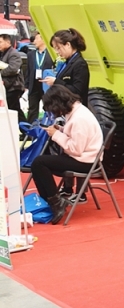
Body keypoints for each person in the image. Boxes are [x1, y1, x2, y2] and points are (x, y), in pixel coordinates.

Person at [31, 85, 103, 224]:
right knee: (39, 164)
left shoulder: (79, 118)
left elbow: (76, 148)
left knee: (39, 163)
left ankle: (54, 201)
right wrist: (61, 130)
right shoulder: (77, 112)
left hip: (85, 161)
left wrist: (57, 134)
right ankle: (51, 201)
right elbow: (76, 137)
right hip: (83, 157)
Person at [43, 28, 90, 106]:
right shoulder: (67, 62)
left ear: (68, 45)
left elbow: (77, 91)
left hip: (74, 109)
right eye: (55, 49)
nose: (57, 52)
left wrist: (55, 82)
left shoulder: (80, 64)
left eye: (58, 48)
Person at [25, 32, 55, 123]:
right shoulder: (31, 54)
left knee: (48, 107)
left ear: (43, 39)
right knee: (32, 109)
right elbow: (28, 70)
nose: (34, 41)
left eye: (37, 39)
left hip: (46, 84)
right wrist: (26, 85)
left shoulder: (51, 54)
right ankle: (30, 130)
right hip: (33, 84)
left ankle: (47, 127)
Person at [0, 33, 25, 124]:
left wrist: (0, 73)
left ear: (8, 42)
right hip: (6, 86)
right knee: (12, 109)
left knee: (14, 109)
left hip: (14, 87)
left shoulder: (14, 53)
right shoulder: (3, 54)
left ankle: (26, 130)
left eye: (0, 42)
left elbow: (13, 69)